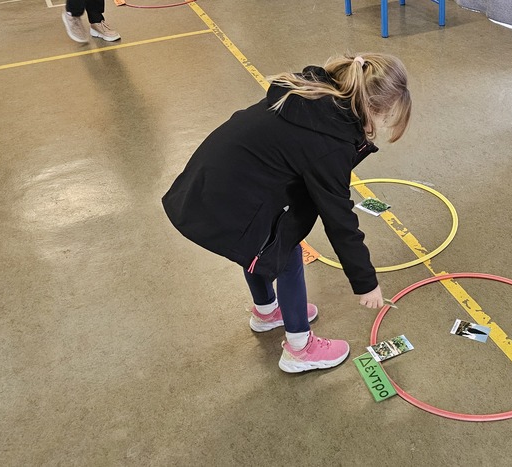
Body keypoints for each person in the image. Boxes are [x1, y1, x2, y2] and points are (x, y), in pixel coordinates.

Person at [162, 53, 412, 373]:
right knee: (285, 251)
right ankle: (299, 349)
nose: (381, 126)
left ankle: (266, 312)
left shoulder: (318, 97)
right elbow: (339, 219)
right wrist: (366, 282)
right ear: (373, 108)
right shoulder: (329, 141)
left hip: (214, 181)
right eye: (386, 117)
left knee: (259, 248)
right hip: (226, 196)